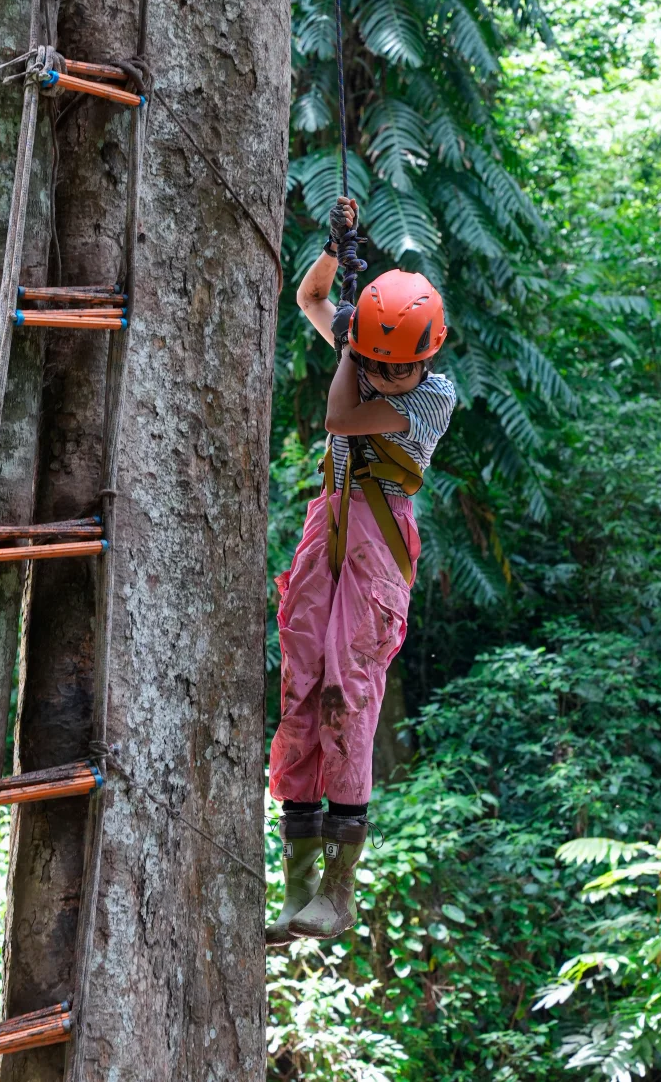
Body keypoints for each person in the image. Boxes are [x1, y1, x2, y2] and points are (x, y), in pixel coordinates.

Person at [266, 196, 456, 944]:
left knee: (350, 688)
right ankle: (298, 890)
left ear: (426, 357)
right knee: (302, 686)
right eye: (380, 358)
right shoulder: (371, 355)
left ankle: (339, 896)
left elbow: (341, 419)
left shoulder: (433, 397)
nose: (390, 371)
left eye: (399, 363)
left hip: (378, 537)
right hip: (329, 524)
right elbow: (311, 297)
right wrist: (335, 251)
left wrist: (350, 347)